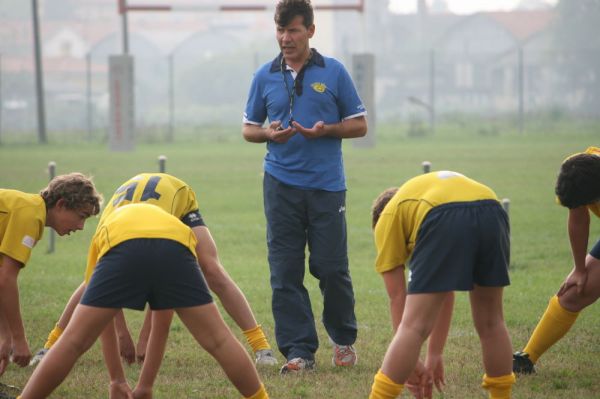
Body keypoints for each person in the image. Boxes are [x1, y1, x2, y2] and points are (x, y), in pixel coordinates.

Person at [17, 203, 269, 399]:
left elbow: (102, 322)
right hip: (176, 244)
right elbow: (163, 317)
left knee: (73, 342)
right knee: (219, 340)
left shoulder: (107, 225)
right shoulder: (171, 222)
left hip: (122, 243)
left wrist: (116, 379)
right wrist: (145, 384)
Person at [31, 173, 277, 368]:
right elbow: (101, 288)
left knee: (211, 268)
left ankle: (261, 347)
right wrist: (121, 333)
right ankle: (49, 347)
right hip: (130, 216)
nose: (81, 227)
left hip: (174, 195)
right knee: (92, 280)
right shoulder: (105, 228)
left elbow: (164, 276)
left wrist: (146, 337)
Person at [242, 0, 367, 374]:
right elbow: (249, 128)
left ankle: (343, 338)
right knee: (284, 271)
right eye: (280, 31)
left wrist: (326, 130)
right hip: (280, 186)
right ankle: (299, 352)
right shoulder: (264, 75)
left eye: (293, 30)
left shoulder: (335, 72)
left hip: (327, 187)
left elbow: (359, 124)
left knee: (330, 268)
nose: (285, 38)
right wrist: (267, 133)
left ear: (311, 31)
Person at [368, 171, 516, 399]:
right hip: (491, 209)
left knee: (413, 327)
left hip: (442, 216)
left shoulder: (387, 220)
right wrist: (434, 353)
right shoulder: (416, 201)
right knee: (492, 322)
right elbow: (443, 291)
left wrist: (410, 358)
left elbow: (398, 296)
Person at [0, 173, 102, 377]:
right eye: (81, 216)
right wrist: (18, 339)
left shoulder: (28, 209)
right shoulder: (30, 216)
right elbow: (6, 280)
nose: (81, 227)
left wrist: (5, 336)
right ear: (61, 204)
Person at [513, 146, 600, 374]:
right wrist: (579, 269)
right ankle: (526, 359)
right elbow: (578, 218)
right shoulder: (577, 169)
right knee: (575, 292)